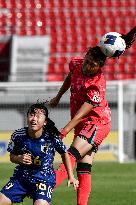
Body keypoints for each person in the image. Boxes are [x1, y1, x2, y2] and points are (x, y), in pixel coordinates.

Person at [49, 26, 136, 205]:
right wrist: (58, 97)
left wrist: (65, 130)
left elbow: (83, 114)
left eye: (93, 65)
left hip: (97, 122)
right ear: (86, 56)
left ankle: (45, 186)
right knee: (84, 167)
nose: (88, 67)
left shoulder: (97, 83)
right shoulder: (75, 63)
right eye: (88, 61)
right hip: (83, 124)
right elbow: (70, 77)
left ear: (100, 67)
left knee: (71, 154)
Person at [0, 102, 79, 205]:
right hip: (21, 178)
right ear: (27, 117)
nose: (34, 119)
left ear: (45, 121)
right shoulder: (18, 135)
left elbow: (64, 154)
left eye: (38, 116)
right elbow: (12, 157)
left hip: (43, 179)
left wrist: (71, 176)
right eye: (31, 115)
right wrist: (19, 158)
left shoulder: (51, 137)